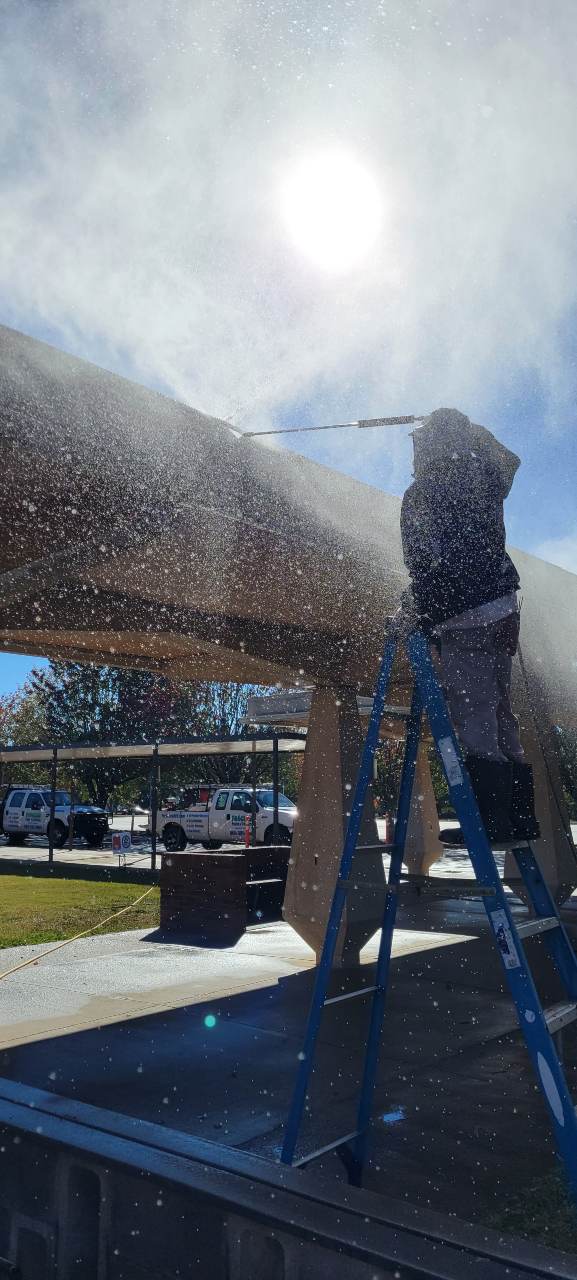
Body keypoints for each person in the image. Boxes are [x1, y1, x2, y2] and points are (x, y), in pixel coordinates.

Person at [392, 406, 539, 844]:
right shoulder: (485, 479)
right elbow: (509, 458)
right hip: (504, 606)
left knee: (474, 712)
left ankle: (490, 821)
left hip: (464, 614)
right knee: (499, 710)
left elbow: (420, 560)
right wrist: (467, 426)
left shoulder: (422, 492)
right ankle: (520, 818)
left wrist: (417, 610)